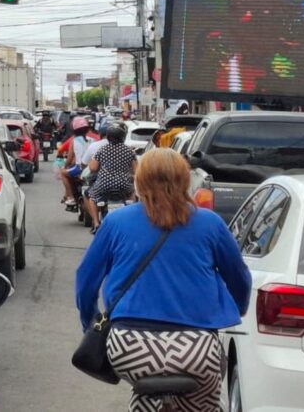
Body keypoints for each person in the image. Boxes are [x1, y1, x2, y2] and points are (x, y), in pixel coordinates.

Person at [75, 149, 251, 412]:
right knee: (204, 397)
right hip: (196, 349)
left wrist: (91, 322)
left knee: (145, 389)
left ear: (140, 180)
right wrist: (237, 308)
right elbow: (239, 278)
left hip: (130, 347)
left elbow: (85, 280)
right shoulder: (210, 223)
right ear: (184, 180)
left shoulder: (115, 221)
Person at [84, 123, 135, 234]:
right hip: (124, 184)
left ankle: (96, 223)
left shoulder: (102, 150)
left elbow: (92, 168)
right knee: (133, 195)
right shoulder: (129, 151)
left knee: (92, 197)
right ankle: (133, 221)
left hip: (104, 184)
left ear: (108, 136)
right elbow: (136, 169)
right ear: (123, 136)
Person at [59, 117, 97, 210]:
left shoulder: (74, 141)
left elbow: (70, 157)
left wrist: (65, 166)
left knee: (63, 173)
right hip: (92, 169)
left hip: (79, 169)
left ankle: (71, 197)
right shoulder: (92, 140)